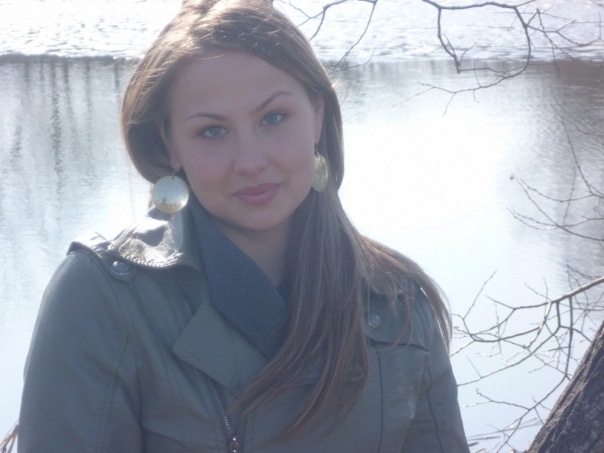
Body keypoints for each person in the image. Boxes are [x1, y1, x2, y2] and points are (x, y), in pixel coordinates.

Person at [18, 0, 470, 451]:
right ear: (169, 143)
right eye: (213, 131)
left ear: (316, 116)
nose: (250, 162)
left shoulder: (397, 303)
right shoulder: (102, 299)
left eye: (273, 118)